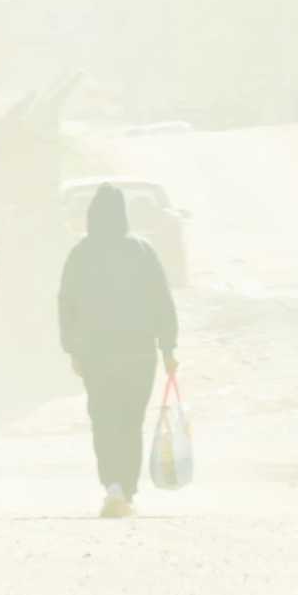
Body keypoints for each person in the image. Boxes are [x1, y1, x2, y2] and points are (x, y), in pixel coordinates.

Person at [59, 182, 179, 518]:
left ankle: (112, 485)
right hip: (138, 353)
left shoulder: (80, 254)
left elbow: (66, 303)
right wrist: (168, 347)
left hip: (96, 354)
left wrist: (72, 348)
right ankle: (125, 489)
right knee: (130, 420)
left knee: (103, 419)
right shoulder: (142, 251)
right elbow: (162, 302)